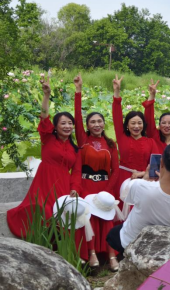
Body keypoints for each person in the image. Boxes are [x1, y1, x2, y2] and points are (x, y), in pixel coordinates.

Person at [7, 76, 85, 259]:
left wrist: (75, 188)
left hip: (65, 186)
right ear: (55, 127)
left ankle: (63, 255)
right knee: (45, 213)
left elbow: (78, 172)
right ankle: (38, 252)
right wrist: (46, 95)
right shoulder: (47, 139)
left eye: (70, 123)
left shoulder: (76, 148)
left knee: (63, 219)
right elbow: (43, 117)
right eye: (63, 123)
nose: (67, 126)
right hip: (46, 182)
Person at [106, 143, 170, 254]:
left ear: (161, 163)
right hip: (165, 244)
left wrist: (146, 179)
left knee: (112, 234)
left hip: (132, 242)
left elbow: (124, 196)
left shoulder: (140, 186)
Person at [73, 74, 120, 271]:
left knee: (107, 220)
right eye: (92, 121)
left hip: (104, 187)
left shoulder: (110, 144)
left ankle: (111, 257)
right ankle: (91, 254)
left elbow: (115, 170)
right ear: (87, 125)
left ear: (103, 123)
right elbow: (76, 117)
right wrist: (78, 90)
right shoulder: (82, 139)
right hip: (85, 185)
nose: (96, 124)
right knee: (88, 219)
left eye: (99, 121)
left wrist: (108, 191)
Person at [111, 75, 157, 208]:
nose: (136, 126)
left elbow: (156, 166)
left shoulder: (150, 142)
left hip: (144, 180)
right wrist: (116, 91)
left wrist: (142, 174)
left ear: (144, 125)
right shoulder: (122, 137)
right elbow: (116, 114)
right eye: (133, 123)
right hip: (122, 179)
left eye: (139, 123)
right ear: (127, 125)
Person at [141, 79, 170, 154]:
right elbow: (148, 118)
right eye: (163, 123)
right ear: (159, 125)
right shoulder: (154, 136)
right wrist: (152, 95)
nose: (167, 125)